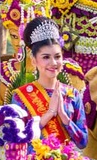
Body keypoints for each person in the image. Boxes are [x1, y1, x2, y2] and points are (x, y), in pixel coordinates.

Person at [11, 17, 88, 149]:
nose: (53, 63)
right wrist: (49, 114)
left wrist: (64, 117)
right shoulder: (20, 97)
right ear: (34, 60)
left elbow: (83, 142)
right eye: (46, 57)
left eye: (57, 57)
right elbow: (17, 138)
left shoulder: (72, 94)